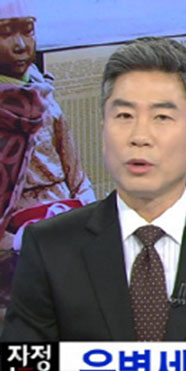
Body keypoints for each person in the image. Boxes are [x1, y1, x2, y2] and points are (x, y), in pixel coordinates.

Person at [1, 36, 186, 341]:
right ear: (104, 133)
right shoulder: (48, 247)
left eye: (162, 117)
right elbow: (23, 368)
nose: (139, 137)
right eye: (124, 116)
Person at [0, 0, 95, 308]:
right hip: (13, 233)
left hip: (63, 214)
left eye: (27, 31)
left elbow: (75, 174)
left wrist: (90, 216)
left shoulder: (46, 100)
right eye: (5, 34)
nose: (20, 45)